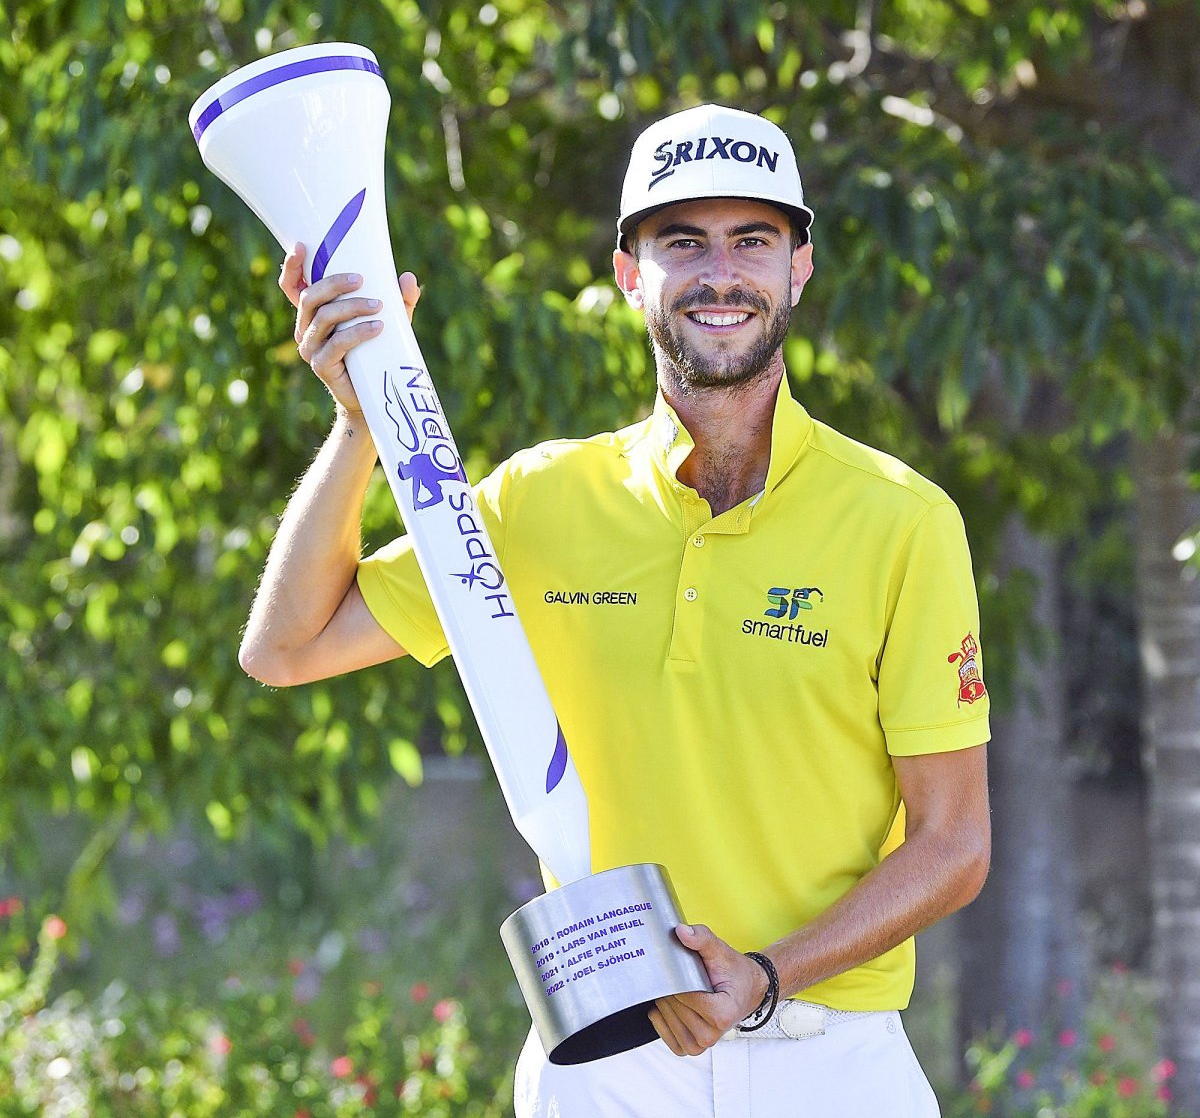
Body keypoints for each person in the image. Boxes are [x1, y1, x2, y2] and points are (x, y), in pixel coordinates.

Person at [240, 104, 991, 1117]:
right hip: (605, 1058)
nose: (719, 273)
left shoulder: (903, 521)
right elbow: (287, 648)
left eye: (752, 241)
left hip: (833, 1052)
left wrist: (763, 975)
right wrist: (358, 426)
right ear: (629, 272)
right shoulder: (537, 502)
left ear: (800, 266)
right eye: (682, 242)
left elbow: (953, 845)